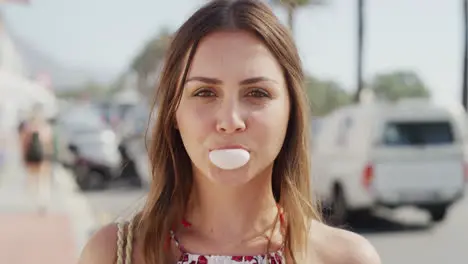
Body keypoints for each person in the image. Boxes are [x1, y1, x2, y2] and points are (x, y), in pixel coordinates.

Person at [78, 0, 381, 263]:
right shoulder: (113, 254)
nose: (230, 119)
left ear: (291, 112)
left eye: (257, 93)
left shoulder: (346, 259)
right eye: (205, 93)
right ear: (173, 112)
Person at [18, 104, 54, 213]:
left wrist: (23, 157)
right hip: (44, 157)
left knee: (33, 180)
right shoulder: (46, 127)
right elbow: (49, 144)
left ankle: (37, 201)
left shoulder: (28, 128)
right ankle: (42, 201)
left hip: (32, 158)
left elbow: (23, 143)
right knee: (43, 181)